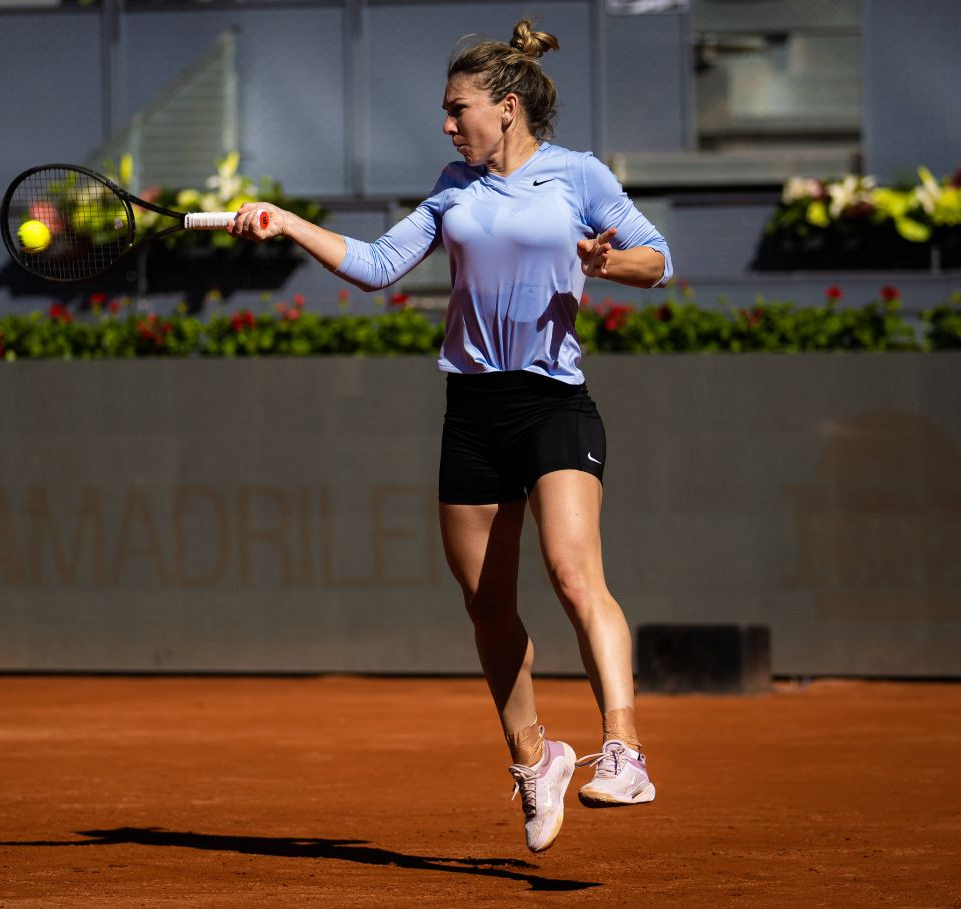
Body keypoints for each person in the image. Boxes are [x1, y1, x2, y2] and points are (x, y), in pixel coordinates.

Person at [227, 18, 669, 854]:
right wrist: (287, 222)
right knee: (486, 605)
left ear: (506, 107)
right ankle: (534, 757)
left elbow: (658, 259)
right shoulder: (452, 187)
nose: (446, 123)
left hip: (553, 403)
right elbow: (376, 266)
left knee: (574, 575)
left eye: (456, 108)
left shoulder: (578, 175)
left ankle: (625, 749)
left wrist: (607, 263)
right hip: (471, 410)